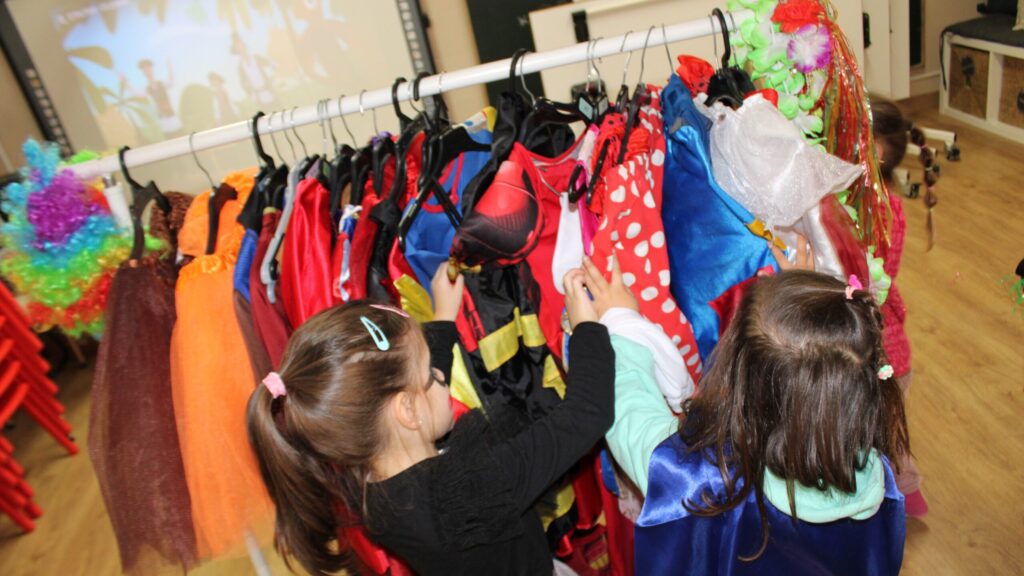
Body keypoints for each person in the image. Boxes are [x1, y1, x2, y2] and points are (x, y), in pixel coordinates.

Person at [247, 262, 615, 576]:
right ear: (407, 411)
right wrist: (587, 325)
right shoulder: (478, 488)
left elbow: (413, 391)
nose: (442, 378)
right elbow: (588, 411)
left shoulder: (367, 479)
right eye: (432, 376)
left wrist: (443, 318)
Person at [592, 258, 909, 575]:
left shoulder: (707, 480)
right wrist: (809, 316)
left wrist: (620, 321)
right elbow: (820, 374)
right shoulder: (878, 481)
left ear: (742, 380)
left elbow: (631, 422)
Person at [871, 98, 929, 517]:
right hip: (886, 347)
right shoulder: (876, 201)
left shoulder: (881, 209)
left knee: (885, 437)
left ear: (875, 152)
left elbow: (873, 282)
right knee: (885, 434)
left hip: (884, 354)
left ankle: (906, 496)